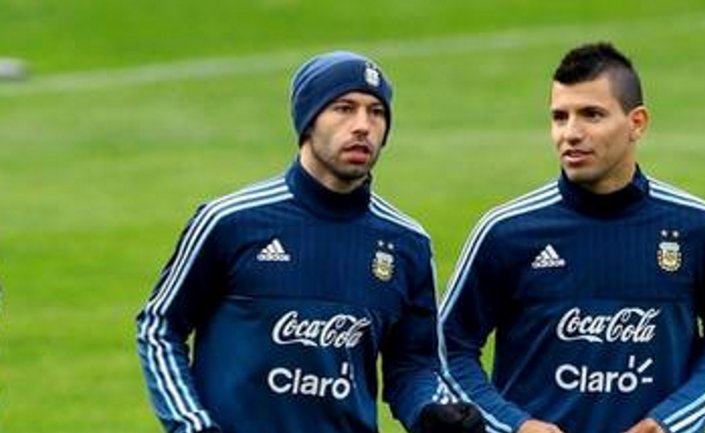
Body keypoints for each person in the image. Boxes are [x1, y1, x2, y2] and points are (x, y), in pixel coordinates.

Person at [136, 51, 484, 433]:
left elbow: (415, 365)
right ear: (308, 120)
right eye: (344, 108)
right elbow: (159, 326)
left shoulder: (406, 243)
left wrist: (432, 412)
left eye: (376, 113)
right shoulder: (231, 222)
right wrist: (191, 424)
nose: (363, 126)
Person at [438, 42, 705, 433]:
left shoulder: (698, 227)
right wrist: (515, 425)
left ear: (637, 123)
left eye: (591, 115)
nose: (571, 133)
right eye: (560, 117)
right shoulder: (507, 231)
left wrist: (672, 421)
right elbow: (445, 347)